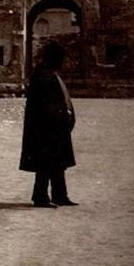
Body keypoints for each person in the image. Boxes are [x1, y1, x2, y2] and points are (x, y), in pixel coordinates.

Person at [20, 40, 78, 207]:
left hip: (56, 128)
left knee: (57, 163)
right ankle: (40, 197)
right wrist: (61, 113)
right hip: (46, 128)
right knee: (45, 163)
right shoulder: (43, 75)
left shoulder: (50, 73)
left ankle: (60, 195)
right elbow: (44, 105)